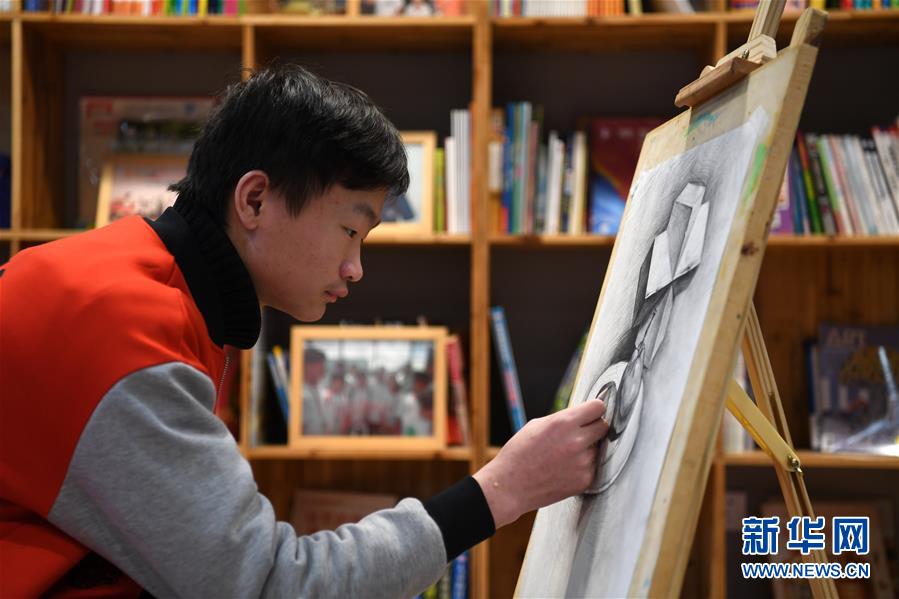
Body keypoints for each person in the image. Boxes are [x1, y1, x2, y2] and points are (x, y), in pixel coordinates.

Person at [0, 64, 610, 598]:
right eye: (350, 231)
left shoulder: (140, 279)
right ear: (255, 200)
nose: (355, 268)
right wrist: (500, 490)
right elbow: (271, 586)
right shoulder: (121, 329)